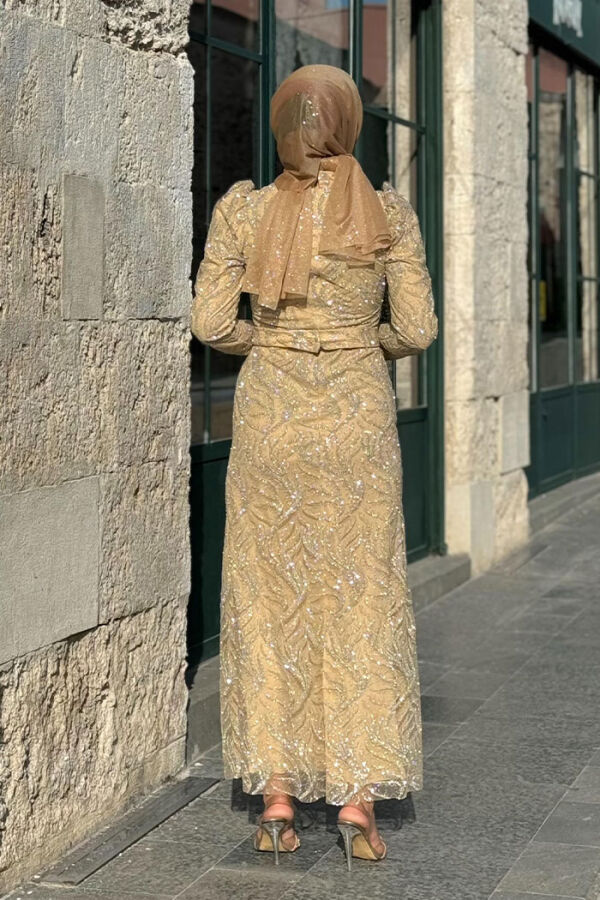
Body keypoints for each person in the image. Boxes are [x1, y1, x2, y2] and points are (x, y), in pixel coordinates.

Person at [191, 63, 438, 872]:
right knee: (361, 594)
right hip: (356, 419)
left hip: (271, 417)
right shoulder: (388, 214)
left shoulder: (244, 210)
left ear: (279, 126)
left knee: (269, 596)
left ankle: (276, 800)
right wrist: (361, 346)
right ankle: (359, 802)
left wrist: (270, 343)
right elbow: (418, 329)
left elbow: (209, 322)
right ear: (349, 125)